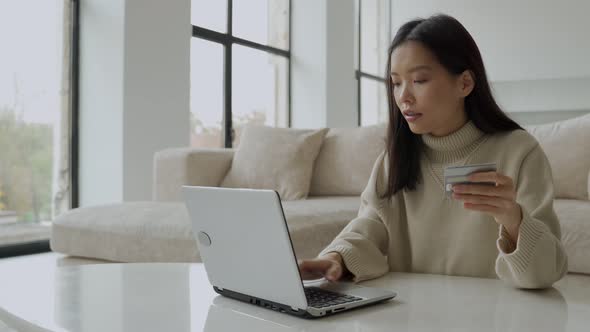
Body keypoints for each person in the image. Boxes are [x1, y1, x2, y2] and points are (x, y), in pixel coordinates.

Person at [298, 14, 567, 289]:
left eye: (419, 80)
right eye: (396, 82)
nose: (404, 96)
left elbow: (546, 272)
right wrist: (336, 257)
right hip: (408, 314)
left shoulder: (519, 152)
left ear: (464, 83)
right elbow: (370, 226)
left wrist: (513, 219)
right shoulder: (394, 159)